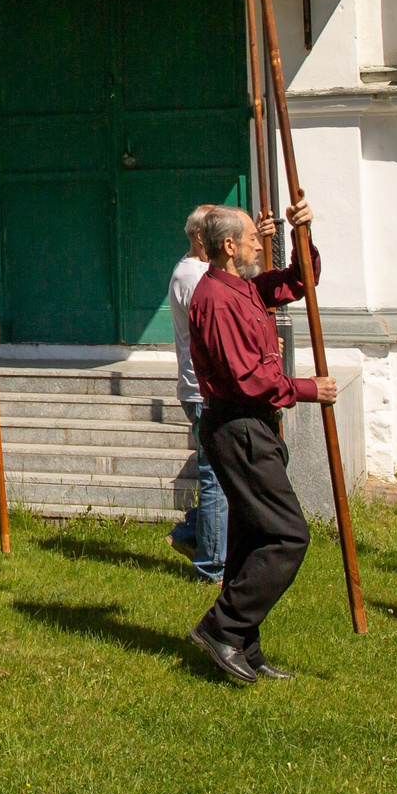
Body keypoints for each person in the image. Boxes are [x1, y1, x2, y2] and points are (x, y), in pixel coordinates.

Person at [180, 202, 330, 684]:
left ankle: (244, 644)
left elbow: (300, 281)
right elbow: (247, 379)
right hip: (237, 425)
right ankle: (221, 627)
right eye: (251, 239)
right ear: (229, 246)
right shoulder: (215, 299)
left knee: (252, 537)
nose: (258, 246)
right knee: (288, 535)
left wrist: (302, 231)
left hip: (254, 425)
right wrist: (307, 388)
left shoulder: (244, 288)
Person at [165, 206, 231, 584]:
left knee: (223, 471)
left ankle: (192, 532)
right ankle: (210, 565)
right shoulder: (192, 276)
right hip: (202, 390)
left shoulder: (201, 271)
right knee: (215, 476)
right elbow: (213, 330)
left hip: (205, 387)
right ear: (199, 236)